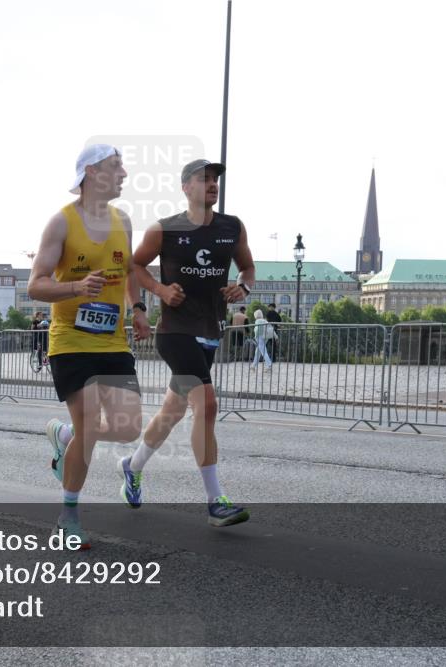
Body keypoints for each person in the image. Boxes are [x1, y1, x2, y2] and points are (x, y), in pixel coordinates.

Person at [28, 143, 151, 549]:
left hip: (112, 341)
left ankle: (65, 436)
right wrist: (76, 287)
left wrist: (137, 307)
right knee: (90, 424)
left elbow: (131, 269)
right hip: (71, 341)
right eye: (117, 166)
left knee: (128, 426)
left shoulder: (124, 222)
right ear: (93, 172)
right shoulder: (61, 224)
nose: (124, 174)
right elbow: (36, 285)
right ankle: (68, 516)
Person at [128, 158, 255, 527]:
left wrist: (243, 286)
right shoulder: (164, 229)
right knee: (207, 404)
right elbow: (134, 266)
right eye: (204, 179)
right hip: (175, 332)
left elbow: (247, 267)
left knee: (172, 412)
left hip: (210, 331)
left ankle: (131, 468)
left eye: (215, 179)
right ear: (186, 187)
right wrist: (158, 291)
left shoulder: (232, 227)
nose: (212, 184)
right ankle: (216, 500)